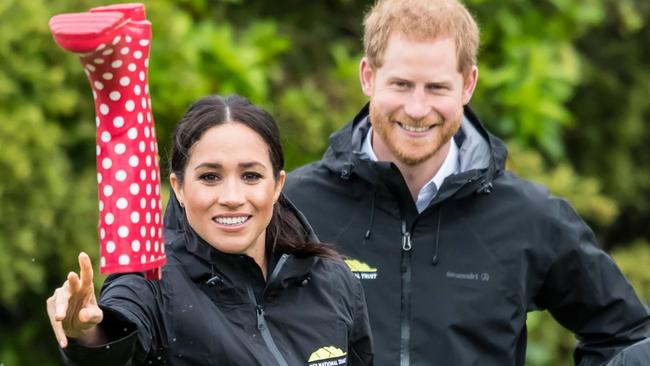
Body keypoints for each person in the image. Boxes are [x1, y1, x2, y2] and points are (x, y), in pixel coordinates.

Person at [281, 0, 650, 364]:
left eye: (437, 88)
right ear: (368, 77)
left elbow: (628, 336)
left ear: (468, 84)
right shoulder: (294, 208)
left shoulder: (530, 217)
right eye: (402, 84)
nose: (417, 108)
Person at [47, 95, 373, 365]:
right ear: (179, 188)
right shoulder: (150, 279)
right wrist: (89, 333)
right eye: (210, 177)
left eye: (251, 176)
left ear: (277, 186)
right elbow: (120, 336)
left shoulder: (332, 280)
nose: (232, 198)